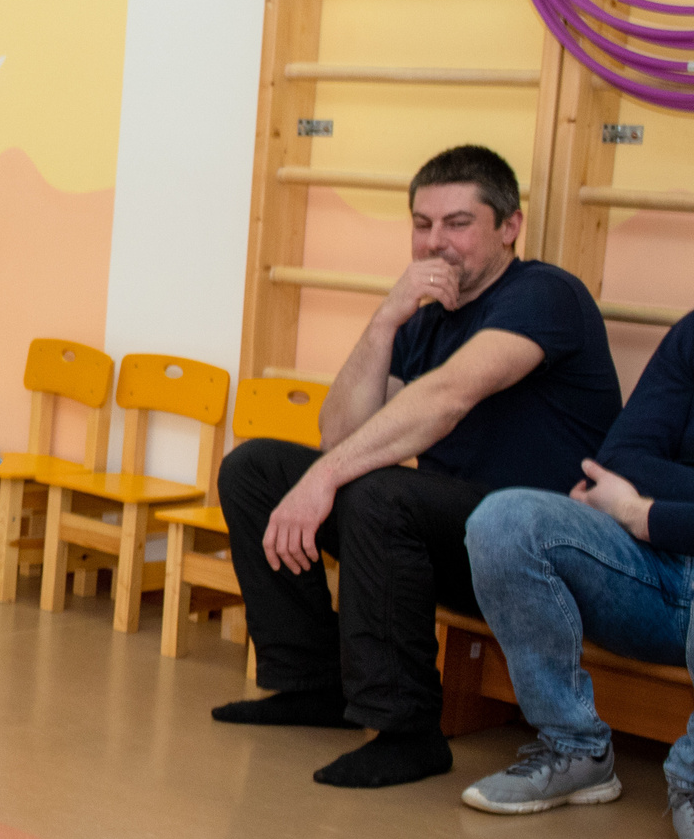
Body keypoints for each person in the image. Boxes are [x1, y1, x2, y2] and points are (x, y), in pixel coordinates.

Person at [215, 145, 621, 788]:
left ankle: (408, 732)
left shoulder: (545, 294)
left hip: (539, 546)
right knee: (256, 469)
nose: (437, 243)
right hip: (448, 535)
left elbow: (446, 398)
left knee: (379, 493)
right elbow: (339, 432)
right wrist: (385, 320)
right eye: (422, 224)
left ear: (509, 227)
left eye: (458, 223)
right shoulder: (422, 317)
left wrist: (324, 479)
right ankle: (313, 686)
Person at [462, 311, 694, 839]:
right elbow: (618, 459)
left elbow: (631, 484)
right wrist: (646, 517)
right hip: (655, 577)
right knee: (505, 520)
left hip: (650, 528)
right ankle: (575, 748)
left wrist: (647, 513)